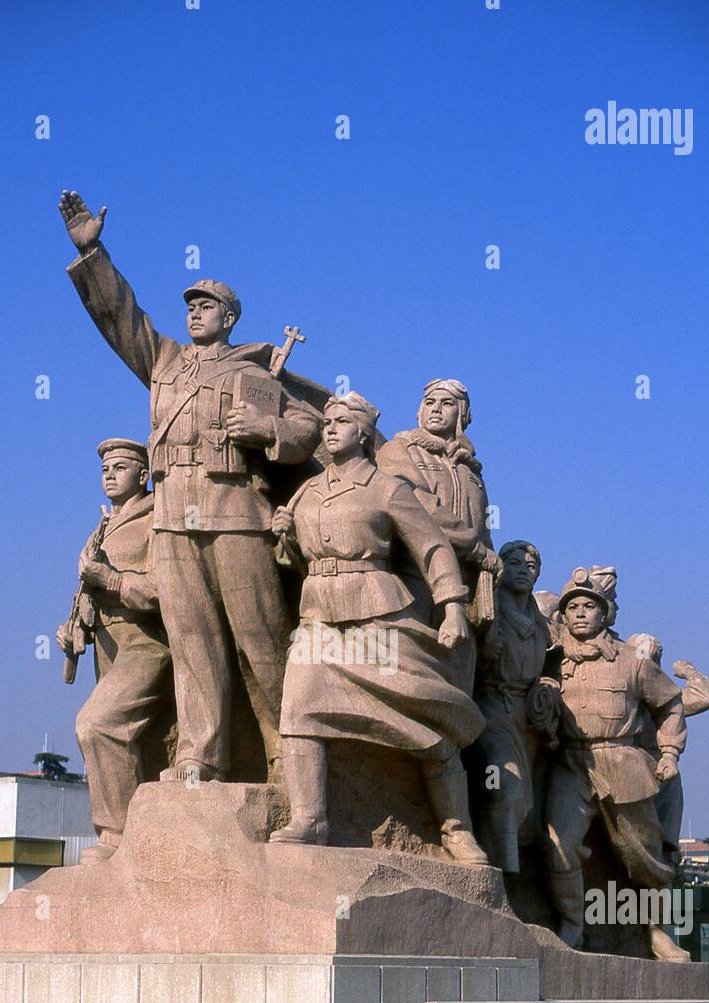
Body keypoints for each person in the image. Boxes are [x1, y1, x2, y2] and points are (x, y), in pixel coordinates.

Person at [58, 190, 323, 783]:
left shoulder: (254, 372)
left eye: (206, 306)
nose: (194, 312)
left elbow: (310, 430)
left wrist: (266, 427)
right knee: (192, 639)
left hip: (235, 511)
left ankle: (288, 750)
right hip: (173, 513)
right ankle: (201, 753)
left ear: (229, 317)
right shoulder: (165, 363)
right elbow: (120, 317)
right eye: (191, 305)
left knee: (260, 638)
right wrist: (93, 253)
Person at [269, 391, 488, 864]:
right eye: (327, 421)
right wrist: (285, 538)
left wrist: (452, 606)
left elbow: (433, 548)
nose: (330, 428)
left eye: (342, 421)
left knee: (423, 715)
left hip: (379, 613)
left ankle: (455, 827)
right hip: (319, 618)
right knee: (299, 709)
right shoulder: (307, 491)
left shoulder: (387, 488)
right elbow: (291, 565)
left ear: (364, 434)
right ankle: (310, 819)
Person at [542, 569, 687, 957]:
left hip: (623, 763)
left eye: (589, 606)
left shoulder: (632, 660)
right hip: (571, 765)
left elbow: (670, 705)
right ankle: (573, 925)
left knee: (646, 857)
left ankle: (658, 932)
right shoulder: (551, 662)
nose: (579, 613)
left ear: (604, 615)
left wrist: (670, 752)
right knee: (558, 844)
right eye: (572, 607)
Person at [56, 439, 174, 861]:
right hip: (107, 646)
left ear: (143, 476)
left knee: (97, 724)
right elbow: (87, 596)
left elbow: (164, 592)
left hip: (147, 642)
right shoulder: (100, 527)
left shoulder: (158, 520)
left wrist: (108, 578)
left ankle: (116, 835)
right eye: (105, 468)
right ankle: (139, 841)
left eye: (120, 467)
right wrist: (73, 631)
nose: (108, 474)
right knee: (134, 745)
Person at [376, 378, 501, 642]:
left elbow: (484, 528)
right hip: (414, 576)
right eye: (429, 402)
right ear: (419, 411)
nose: (436, 409)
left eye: (446, 404)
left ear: (462, 414)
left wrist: (490, 564)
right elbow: (419, 505)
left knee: (459, 675)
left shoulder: (471, 470)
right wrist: (477, 550)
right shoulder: (399, 450)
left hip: (464, 583)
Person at [472, 541, 555, 873]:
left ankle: (509, 875)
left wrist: (549, 689)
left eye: (531, 566)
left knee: (523, 805)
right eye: (516, 563)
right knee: (503, 786)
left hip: (527, 721)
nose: (523, 570)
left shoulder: (541, 623)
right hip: (491, 710)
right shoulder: (487, 608)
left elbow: (553, 670)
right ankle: (499, 877)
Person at [627, 633, 709, 859]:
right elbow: (704, 696)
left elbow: (703, 698)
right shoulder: (625, 694)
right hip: (631, 769)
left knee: (660, 842)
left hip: (661, 770)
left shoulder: (664, 697)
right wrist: (689, 672)